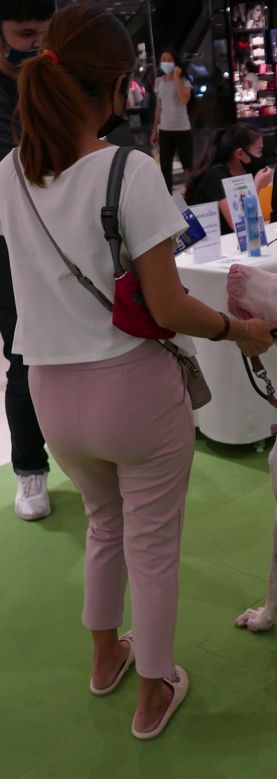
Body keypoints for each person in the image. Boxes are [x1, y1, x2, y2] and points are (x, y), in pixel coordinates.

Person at [0, 4, 277, 740]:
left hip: (48, 391)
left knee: (104, 526)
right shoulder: (128, 170)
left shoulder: (8, 172)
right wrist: (241, 331)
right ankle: (154, 690)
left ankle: (106, 661)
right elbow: (168, 303)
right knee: (152, 546)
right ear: (124, 83)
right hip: (130, 388)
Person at [0, 0, 53, 521]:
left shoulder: (49, 78)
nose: (35, 43)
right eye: (24, 32)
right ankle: (30, 469)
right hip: (5, 246)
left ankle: (88, 458)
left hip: (58, 233)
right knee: (22, 356)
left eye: (44, 33)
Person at [185, 123, 273, 234]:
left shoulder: (241, 176)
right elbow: (240, 225)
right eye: (259, 151)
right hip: (204, 246)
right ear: (240, 154)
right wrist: (257, 184)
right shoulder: (216, 175)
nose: (261, 157)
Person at [149, 48, 193, 193]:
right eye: (164, 60)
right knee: (165, 167)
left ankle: (191, 194)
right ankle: (168, 197)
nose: (166, 62)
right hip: (165, 130)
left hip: (182, 129)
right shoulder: (158, 81)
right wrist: (155, 130)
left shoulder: (184, 80)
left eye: (169, 59)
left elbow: (184, 99)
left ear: (175, 62)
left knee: (188, 166)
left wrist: (176, 78)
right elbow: (158, 108)